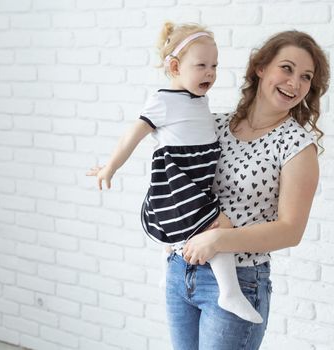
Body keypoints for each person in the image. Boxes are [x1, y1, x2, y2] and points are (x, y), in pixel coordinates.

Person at [86, 22, 262, 324]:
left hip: (197, 176)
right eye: (201, 65)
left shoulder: (197, 99)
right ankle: (229, 291)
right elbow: (134, 134)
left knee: (182, 233)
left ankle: (170, 273)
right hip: (179, 178)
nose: (210, 72)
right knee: (219, 224)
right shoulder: (163, 101)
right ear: (175, 66)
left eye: (215, 65)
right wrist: (110, 167)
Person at [165, 30, 330, 349]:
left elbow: (290, 230)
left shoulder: (296, 146)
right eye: (287, 68)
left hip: (238, 281)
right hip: (180, 270)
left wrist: (218, 239)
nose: (294, 83)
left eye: (306, 76)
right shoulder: (213, 124)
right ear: (261, 67)